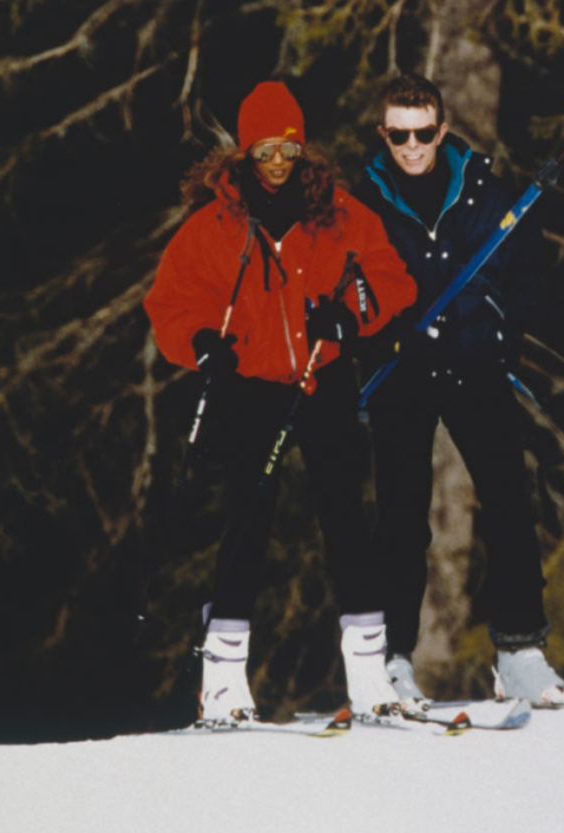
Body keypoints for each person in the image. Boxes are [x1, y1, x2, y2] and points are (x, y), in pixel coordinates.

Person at [144, 81, 417, 722]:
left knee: (347, 519)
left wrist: (350, 319)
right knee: (248, 523)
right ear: (244, 151)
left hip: (320, 384)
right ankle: (222, 685)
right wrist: (203, 342)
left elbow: (390, 278)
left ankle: (371, 680)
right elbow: (172, 302)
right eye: (264, 149)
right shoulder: (214, 225)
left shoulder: (340, 212)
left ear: (302, 149)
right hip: (250, 387)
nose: (276, 161)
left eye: (287, 148)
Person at [354, 73, 564, 706]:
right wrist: (383, 336)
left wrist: (504, 331)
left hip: (475, 364)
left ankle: (520, 651)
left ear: (442, 130)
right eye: (399, 134)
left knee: (508, 499)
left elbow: (526, 265)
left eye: (423, 132)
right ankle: (392, 658)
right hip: (402, 371)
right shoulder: (363, 199)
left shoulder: (482, 186)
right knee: (400, 517)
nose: (412, 146)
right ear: (384, 135)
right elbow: (351, 283)